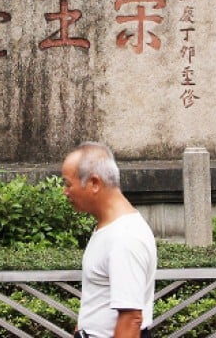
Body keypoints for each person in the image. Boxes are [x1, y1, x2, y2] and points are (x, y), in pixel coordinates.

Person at [62, 141, 157, 338]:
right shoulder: (109, 228)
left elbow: (131, 318)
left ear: (94, 183)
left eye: (68, 184)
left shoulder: (125, 236)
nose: (65, 191)